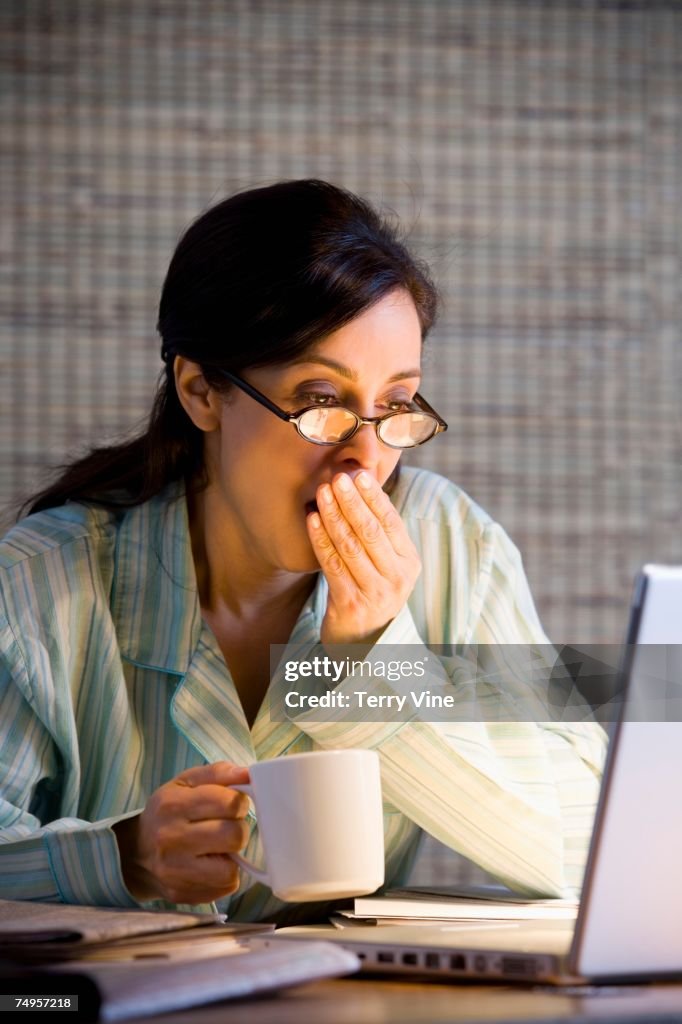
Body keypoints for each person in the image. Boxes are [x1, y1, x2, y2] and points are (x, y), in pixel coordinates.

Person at [0, 179, 605, 920]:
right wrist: (123, 856)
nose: (364, 458)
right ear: (201, 393)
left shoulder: (456, 546)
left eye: (393, 406)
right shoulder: (42, 579)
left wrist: (371, 662)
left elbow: (594, 845)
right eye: (321, 401)